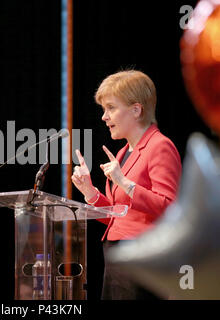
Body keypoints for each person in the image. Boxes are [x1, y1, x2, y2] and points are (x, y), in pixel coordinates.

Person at [71, 70, 182, 300]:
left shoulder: (160, 146)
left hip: (142, 257)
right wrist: (89, 192)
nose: (104, 117)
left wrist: (124, 182)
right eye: (104, 109)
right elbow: (118, 213)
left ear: (136, 109)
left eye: (111, 108)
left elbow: (169, 206)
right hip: (116, 256)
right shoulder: (123, 152)